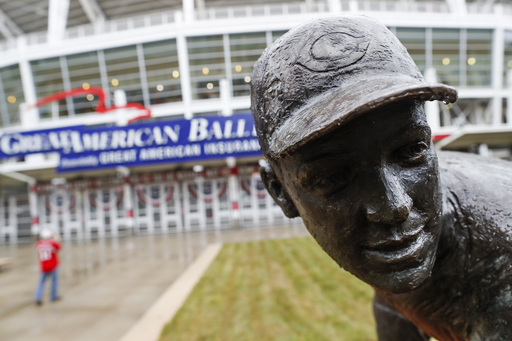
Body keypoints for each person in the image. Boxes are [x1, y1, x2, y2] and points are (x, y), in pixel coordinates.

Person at [251, 15, 512, 341]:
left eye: (412, 151)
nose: (393, 207)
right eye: (334, 177)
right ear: (280, 192)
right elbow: (394, 297)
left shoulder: (498, 282)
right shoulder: (403, 248)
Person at [35, 228, 61, 305]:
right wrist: (56, 239)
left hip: (43, 266)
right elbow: (58, 247)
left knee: (41, 283)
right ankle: (53, 297)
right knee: (54, 281)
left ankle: (38, 297)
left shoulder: (38, 244)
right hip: (53, 266)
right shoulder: (53, 243)